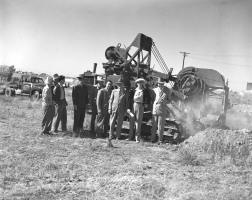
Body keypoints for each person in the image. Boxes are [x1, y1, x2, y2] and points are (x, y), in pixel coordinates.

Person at [151, 77, 172, 144]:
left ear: (163, 84)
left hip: (162, 109)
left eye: (162, 84)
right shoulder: (154, 90)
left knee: (160, 125)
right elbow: (151, 99)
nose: (160, 85)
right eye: (159, 84)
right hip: (155, 108)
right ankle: (152, 139)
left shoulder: (167, 90)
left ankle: (160, 140)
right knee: (154, 124)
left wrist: (165, 101)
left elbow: (170, 100)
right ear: (157, 84)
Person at [108, 78, 129, 142]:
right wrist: (109, 108)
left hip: (121, 110)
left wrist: (126, 111)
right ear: (117, 85)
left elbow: (127, 102)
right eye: (119, 84)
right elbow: (111, 100)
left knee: (119, 123)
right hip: (114, 108)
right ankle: (111, 135)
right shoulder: (114, 91)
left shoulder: (125, 92)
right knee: (112, 123)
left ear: (123, 85)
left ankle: (117, 136)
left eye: (121, 84)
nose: (120, 85)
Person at [127, 78, 146, 143]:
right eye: (139, 83)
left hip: (140, 106)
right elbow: (130, 100)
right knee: (131, 121)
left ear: (143, 83)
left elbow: (147, 99)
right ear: (137, 83)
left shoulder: (145, 91)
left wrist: (145, 105)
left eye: (141, 83)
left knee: (138, 122)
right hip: (133, 105)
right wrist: (129, 108)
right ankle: (130, 137)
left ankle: (137, 138)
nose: (140, 84)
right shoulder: (133, 91)